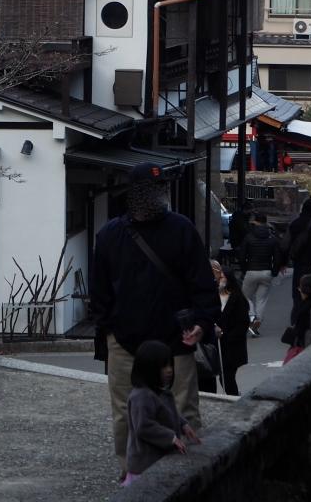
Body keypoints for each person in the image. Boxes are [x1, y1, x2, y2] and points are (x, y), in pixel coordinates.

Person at [88, 162, 218, 475]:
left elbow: (202, 284)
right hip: (125, 340)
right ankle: (131, 472)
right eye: (154, 189)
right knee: (126, 411)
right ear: (136, 193)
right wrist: (109, 332)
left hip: (175, 338)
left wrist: (201, 323)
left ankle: (185, 474)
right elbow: (100, 293)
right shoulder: (110, 235)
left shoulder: (182, 229)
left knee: (182, 409)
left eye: (162, 187)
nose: (160, 194)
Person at [123, 340, 201, 486]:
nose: (169, 370)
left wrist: (183, 424)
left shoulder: (159, 392)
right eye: (163, 366)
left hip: (156, 459)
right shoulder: (141, 396)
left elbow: (168, 413)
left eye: (170, 365)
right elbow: (144, 426)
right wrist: (171, 437)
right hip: (144, 464)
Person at [206, 260, 249, 396]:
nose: (220, 280)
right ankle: (234, 397)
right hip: (219, 345)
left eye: (223, 277)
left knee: (227, 377)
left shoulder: (237, 298)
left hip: (232, 346)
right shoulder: (215, 296)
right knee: (223, 377)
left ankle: (234, 398)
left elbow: (243, 323)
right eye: (219, 277)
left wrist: (226, 335)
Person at [236, 212, 279, 336]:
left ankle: (252, 316)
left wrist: (244, 269)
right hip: (266, 271)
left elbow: (242, 256)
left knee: (245, 297)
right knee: (261, 299)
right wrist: (274, 271)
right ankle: (257, 321)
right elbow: (277, 257)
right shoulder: (272, 238)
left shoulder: (249, 237)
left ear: (255, 222)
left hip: (251, 270)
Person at [285, 197, 311, 301]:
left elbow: (284, 245)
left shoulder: (294, 224)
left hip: (298, 265)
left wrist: (282, 262)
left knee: (298, 294)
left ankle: (297, 311)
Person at [283, 273, 311, 364]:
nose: (299, 290)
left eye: (300, 288)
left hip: (306, 347)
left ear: (304, 290)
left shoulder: (305, 308)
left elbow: (300, 331)